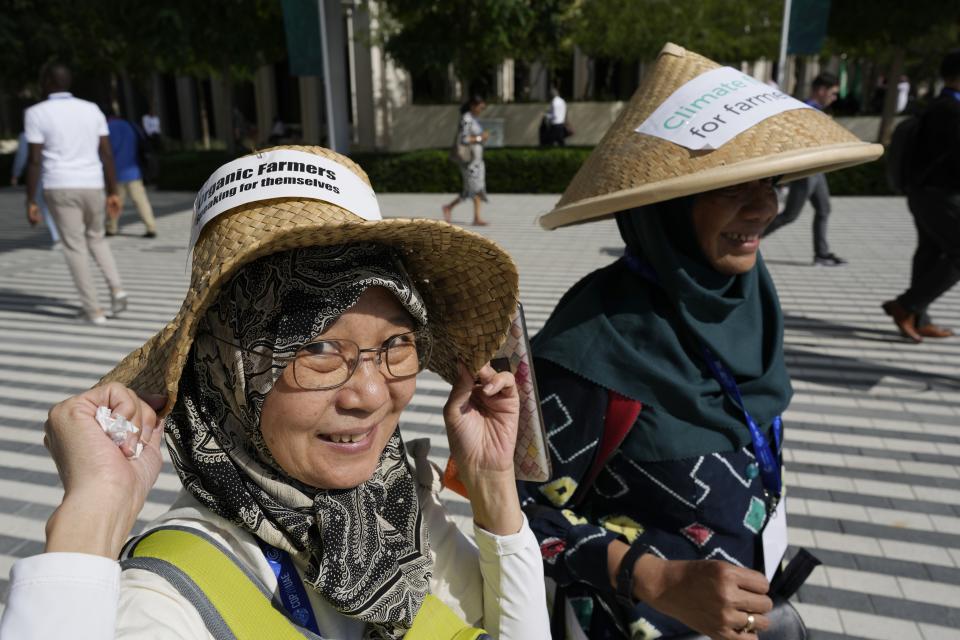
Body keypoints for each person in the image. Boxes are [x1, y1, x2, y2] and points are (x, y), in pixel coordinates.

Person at [0, 145, 549, 640]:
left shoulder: (392, 504)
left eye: (397, 343)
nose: (369, 393)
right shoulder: (165, 603)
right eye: (316, 349)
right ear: (230, 368)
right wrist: (93, 513)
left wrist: (493, 487)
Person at [520, 43, 881, 639]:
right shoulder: (594, 339)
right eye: (731, 186)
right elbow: (514, 515)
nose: (766, 206)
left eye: (769, 181)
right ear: (663, 207)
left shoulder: (750, 303)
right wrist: (653, 579)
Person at [24, 62, 128, 325]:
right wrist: (113, 191)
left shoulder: (36, 113)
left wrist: (30, 199)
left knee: (74, 247)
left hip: (60, 186)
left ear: (47, 81)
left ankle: (93, 311)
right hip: (93, 184)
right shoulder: (91, 109)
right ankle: (117, 289)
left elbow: (34, 160)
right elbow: (105, 152)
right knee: (97, 238)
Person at [882, 51, 960, 343]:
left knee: (932, 252)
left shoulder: (940, 107)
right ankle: (906, 306)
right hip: (938, 194)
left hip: (929, 194)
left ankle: (918, 316)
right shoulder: (948, 111)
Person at [762, 72, 847, 267]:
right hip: (807, 170)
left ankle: (822, 254)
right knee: (790, 216)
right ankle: (747, 237)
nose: (834, 98)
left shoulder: (816, 110)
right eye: (832, 93)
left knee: (824, 209)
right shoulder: (806, 110)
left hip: (818, 170)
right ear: (821, 90)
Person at [106, 109, 158, 238]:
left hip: (115, 172)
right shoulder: (131, 125)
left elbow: (105, 152)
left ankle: (111, 227)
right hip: (134, 171)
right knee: (141, 200)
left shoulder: (107, 128)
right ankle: (150, 227)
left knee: (115, 200)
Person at [442, 96, 489, 226]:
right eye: (481, 107)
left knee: (470, 190)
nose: (482, 110)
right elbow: (464, 139)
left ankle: (449, 207)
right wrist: (480, 138)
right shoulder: (467, 119)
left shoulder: (474, 118)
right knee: (475, 188)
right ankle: (476, 217)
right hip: (469, 161)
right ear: (473, 106)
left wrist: (481, 138)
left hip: (477, 161)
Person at [11, 130, 61, 248]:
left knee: (46, 207)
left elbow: (22, 156)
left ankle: (58, 237)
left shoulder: (26, 135)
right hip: (62, 174)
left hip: (39, 176)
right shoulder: (55, 130)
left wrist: (15, 174)